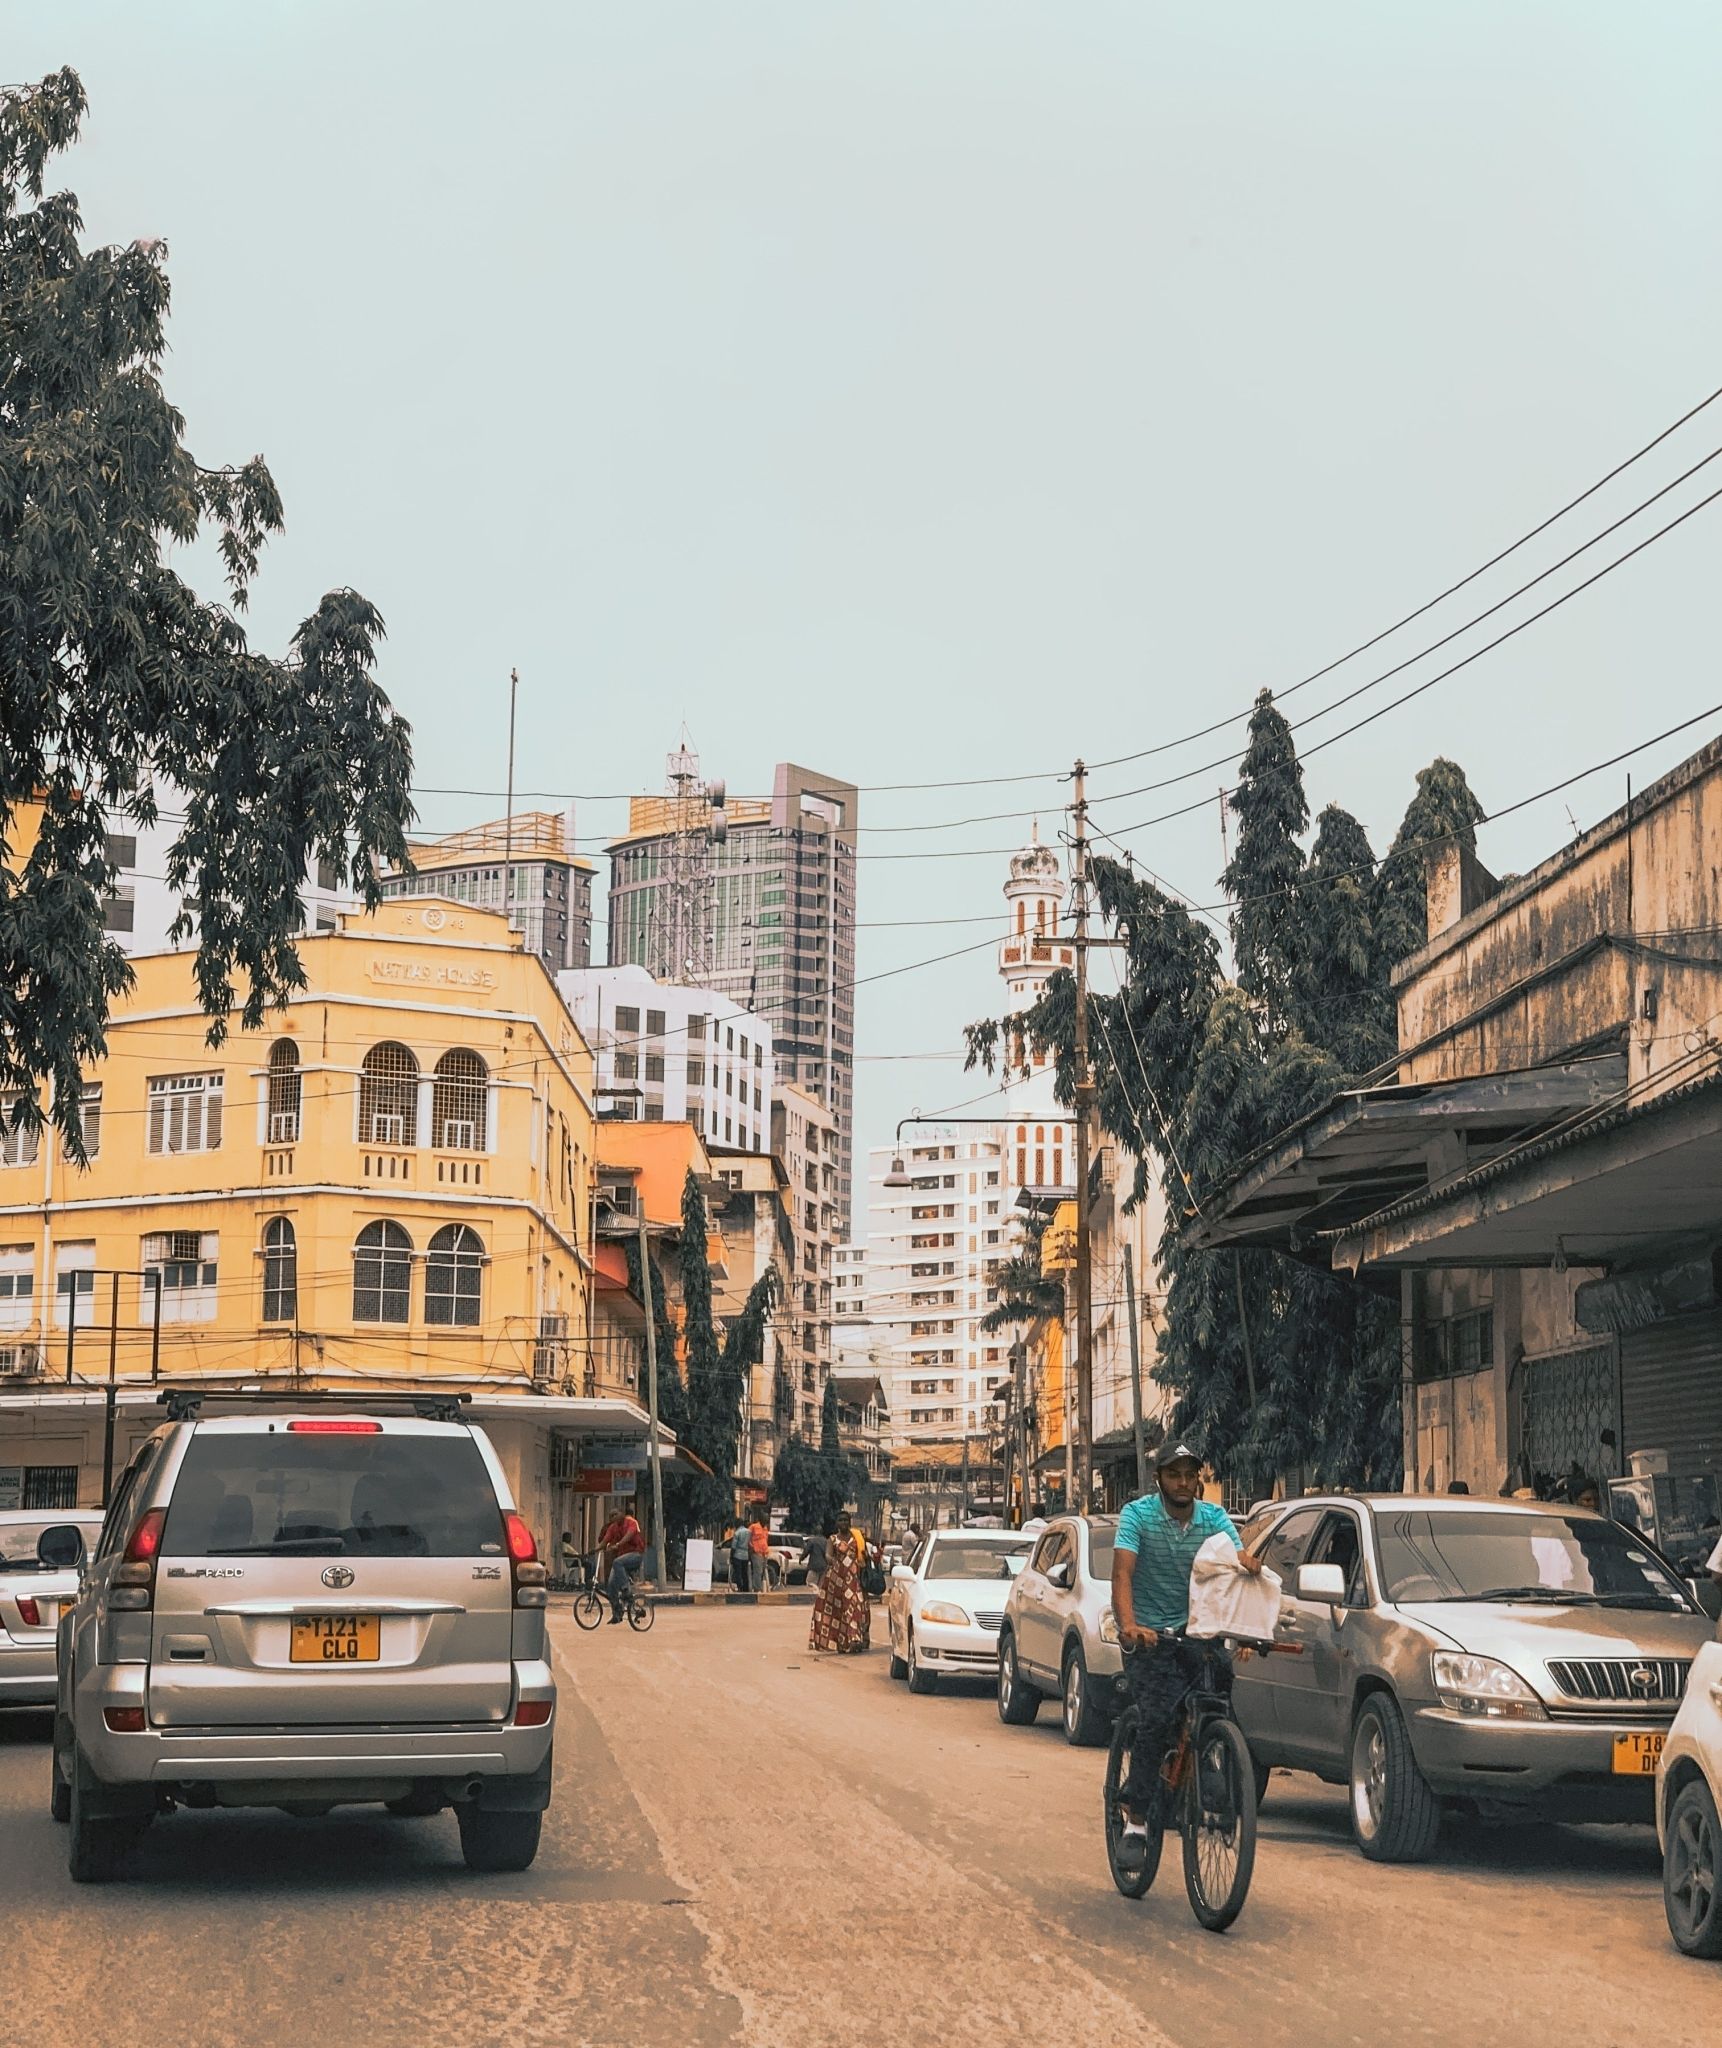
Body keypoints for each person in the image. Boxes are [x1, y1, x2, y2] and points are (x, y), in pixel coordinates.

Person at [1110, 1442, 1264, 1873]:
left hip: (1200, 1634)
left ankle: (1210, 1758)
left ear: (1199, 1479)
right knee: (1156, 1718)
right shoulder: (1137, 1516)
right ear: (1159, 1478)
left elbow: (1237, 1569)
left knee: (1219, 1698)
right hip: (1150, 1639)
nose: (1182, 1482)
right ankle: (1136, 1823)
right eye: (1173, 1474)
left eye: (1189, 1475)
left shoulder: (1214, 1519)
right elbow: (1122, 1574)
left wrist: (1247, 1627)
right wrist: (1130, 1625)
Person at [809, 1511, 871, 1654]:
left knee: (854, 1605)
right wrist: (831, 1560)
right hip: (836, 1579)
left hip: (854, 1578)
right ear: (837, 1523)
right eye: (840, 1520)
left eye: (845, 1520)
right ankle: (843, 1642)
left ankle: (855, 1638)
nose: (843, 1523)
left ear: (850, 1522)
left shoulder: (857, 1538)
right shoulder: (832, 1539)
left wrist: (866, 1557)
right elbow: (828, 1554)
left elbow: (864, 1555)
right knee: (838, 1611)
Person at [598, 1502, 646, 1623]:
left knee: (617, 1562)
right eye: (610, 1516)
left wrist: (618, 1544)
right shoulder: (613, 1527)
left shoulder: (631, 1522)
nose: (612, 1517)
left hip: (636, 1555)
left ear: (622, 1514)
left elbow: (629, 1535)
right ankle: (617, 1613)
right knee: (610, 1586)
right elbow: (605, 1540)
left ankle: (626, 1589)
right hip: (622, 1560)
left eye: (615, 1514)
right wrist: (595, 1550)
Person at [748, 1510, 772, 1592]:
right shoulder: (753, 1527)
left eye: (767, 1519)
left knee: (762, 1571)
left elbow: (765, 1541)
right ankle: (757, 1588)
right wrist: (752, 1548)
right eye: (765, 1518)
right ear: (760, 1519)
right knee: (757, 1571)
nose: (766, 1520)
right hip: (756, 1553)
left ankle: (760, 1586)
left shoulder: (765, 1529)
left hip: (764, 1553)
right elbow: (748, 1539)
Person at [728, 1519, 752, 1590]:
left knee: (738, 1573)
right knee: (745, 1572)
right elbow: (750, 1544)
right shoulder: (749, 1532)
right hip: (745, 1555)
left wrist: (731, 1556)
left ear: (737, 1524)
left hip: (737, 1555)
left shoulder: (737, 1533)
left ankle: (740, 1587)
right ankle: (746, 1587)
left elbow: (733, 1546)